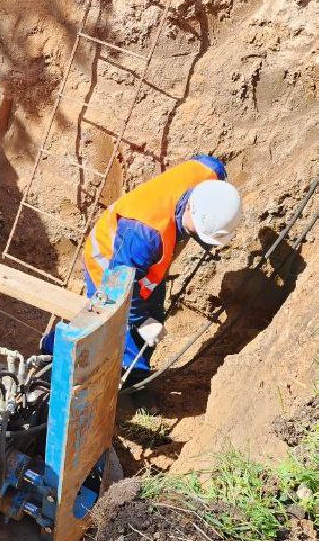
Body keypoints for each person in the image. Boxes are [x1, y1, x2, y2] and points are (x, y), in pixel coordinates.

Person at [58, 155, 242, 383]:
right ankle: (55, 359)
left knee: (152, 313)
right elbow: (121, 287)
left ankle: (133, 375)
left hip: (145, 264)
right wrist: (140, 321)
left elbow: (211, 165)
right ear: (191, 209)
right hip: (110, 261)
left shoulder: (209, 174)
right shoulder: (145, 235)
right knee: (104, 323)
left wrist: (148, 318)